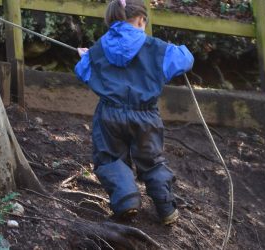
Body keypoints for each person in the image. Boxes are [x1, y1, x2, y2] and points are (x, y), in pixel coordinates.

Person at [74, 0, 194, 225]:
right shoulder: (157, 48)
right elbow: (185, 60)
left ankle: (126, 200)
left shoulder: (99, 48)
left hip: (110, 115)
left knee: (109, 158)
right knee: (152, 161)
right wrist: (179, 49)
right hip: (146, 116)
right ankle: (166, 208)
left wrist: (87, 57)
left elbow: (83, 73)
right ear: (141, 20)